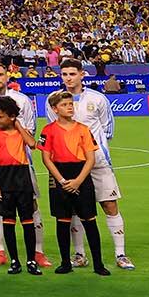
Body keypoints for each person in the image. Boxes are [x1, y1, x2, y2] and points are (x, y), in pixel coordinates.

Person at [0, 61, 47, 268]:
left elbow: (31, 131)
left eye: (0, 74)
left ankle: (38, 252)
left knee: (31, 206)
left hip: (21, 163)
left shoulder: (21, 99)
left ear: (7, 76)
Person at [60, 58, 131, 270]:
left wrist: (92, 150)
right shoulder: (54, 100)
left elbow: (107, 131)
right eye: (64, 74)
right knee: (74, 210)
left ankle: (120, 254)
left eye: (72, 73)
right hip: (70, 163)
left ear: (82, 74)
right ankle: (80, 254)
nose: (68, 78)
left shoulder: (98, 99)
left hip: (98, 161)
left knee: (109, 204)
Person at [38, 91, 109, 276]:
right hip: (59, 175)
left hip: (81, 176)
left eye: (71, 104)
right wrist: (61, 180)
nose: (69, 107)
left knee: (90, 221)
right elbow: (46, 159)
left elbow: (90, 158)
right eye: (64, 105)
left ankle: (98, 264)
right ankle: (65, 263)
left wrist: (78, 181)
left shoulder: (83, 129)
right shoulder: (48, 130)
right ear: (55, 109)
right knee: (62, 222)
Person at [0, 96, 42, 276]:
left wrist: (18, 125)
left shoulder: (20, 132)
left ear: (12, 116)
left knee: (27, 221)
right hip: (3, 179)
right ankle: (15, 260)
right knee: (8, 221)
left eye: (0, 116)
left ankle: (31, 260)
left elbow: (32, 144)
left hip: (22, 177)